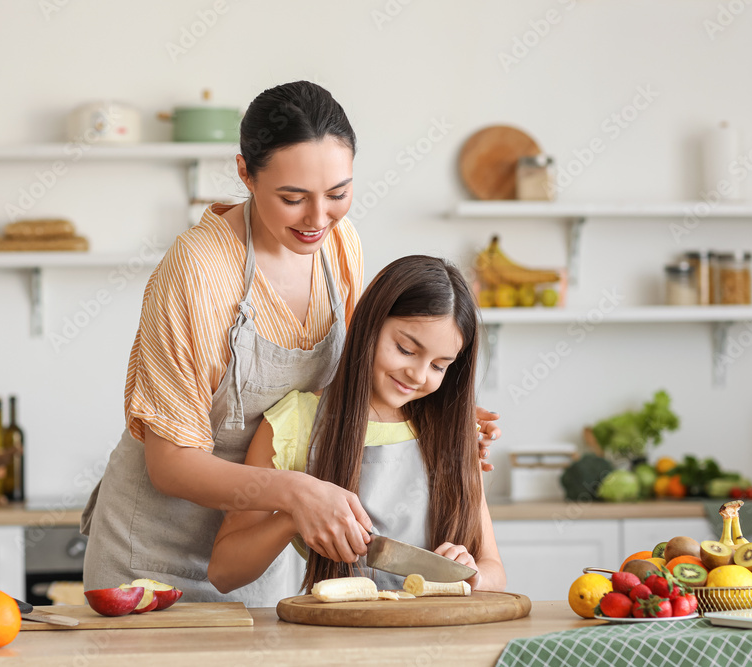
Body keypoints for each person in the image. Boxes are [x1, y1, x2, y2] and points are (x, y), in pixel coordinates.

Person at [81, 81, 500, 608]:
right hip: (154, 552)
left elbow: (353, 377)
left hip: (261, 544)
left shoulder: (338, 247)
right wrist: (298, 492)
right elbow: (171, 464)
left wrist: (437, 412)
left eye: (339, 194)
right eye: (293, 198)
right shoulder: (198, 271)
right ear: (244, 174)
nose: (318, 219)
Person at [208, 256, 507, 595]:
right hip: (337, 639)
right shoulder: (294, 424)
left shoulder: (453, 433)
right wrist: (293, 514)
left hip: (440, 636)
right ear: (370, 324)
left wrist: (472, 575)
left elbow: (493, 569)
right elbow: (224, 571)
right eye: (406, 349)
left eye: (439, 366)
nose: (419, 375)